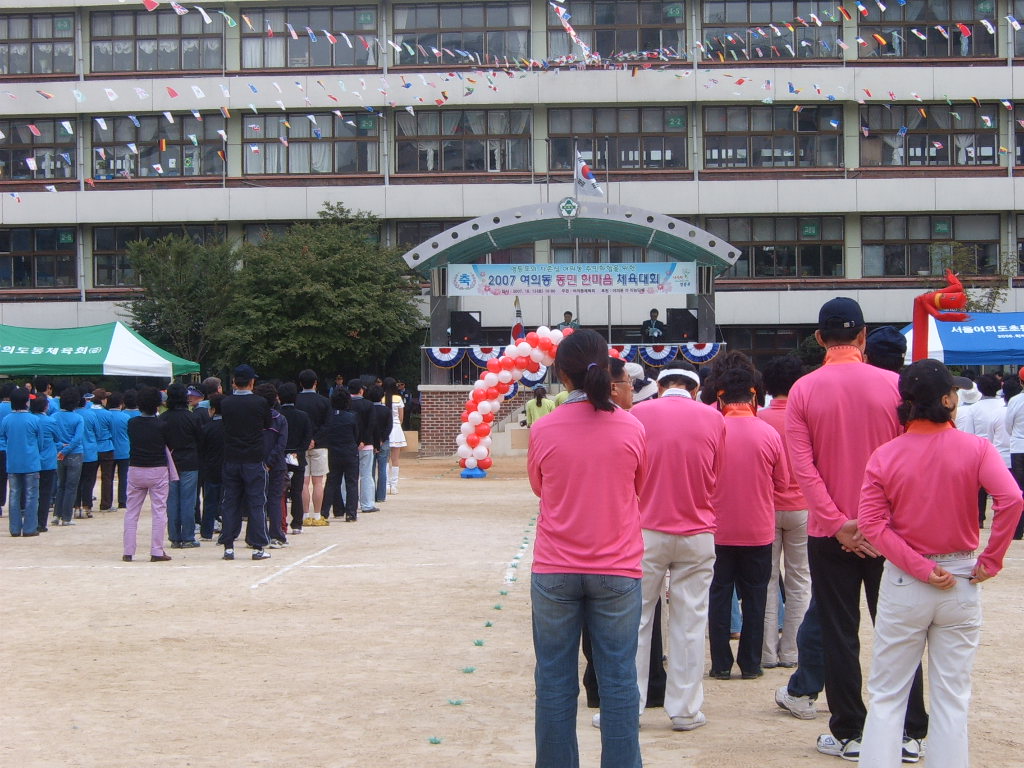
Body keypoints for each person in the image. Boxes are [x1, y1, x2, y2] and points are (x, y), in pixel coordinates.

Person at [858, 359, 1023, 767]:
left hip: (906, 582)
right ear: (948, 400)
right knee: (953, 696)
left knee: (888, 694)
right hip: (963, 575)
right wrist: (992, 559)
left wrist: (919, 567)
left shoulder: (885, 455)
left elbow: (872, 525)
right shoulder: (977, 449)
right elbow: (1011, 500)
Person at [786, 297, 928, 761]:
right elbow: (909, 461)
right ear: (863, 336)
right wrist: (877, 522)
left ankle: (851, 731)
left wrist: (837, 521)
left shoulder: (804, 390)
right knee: (900, 629)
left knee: (837, 631)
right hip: (889, 532)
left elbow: (802, 467)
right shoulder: (895, 386)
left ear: (820, 338)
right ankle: (909, 732)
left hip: (833, 533)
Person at [528, 329, 646, 768]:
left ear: (561, 373)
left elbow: (540, 488)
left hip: (555, 568)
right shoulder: (632, 427)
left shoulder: (544, 428)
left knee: (555, 681)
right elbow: (638, 487)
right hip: (617, 568)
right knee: (618, 679)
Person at [628, 363, 724, 729]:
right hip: (697, 531)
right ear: (696, 390)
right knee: (690, 622)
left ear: (659, 386)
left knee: (635, 621)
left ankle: (629, 707)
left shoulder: (639, 414)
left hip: (646, 530)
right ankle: (685, 710)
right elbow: (717, 474)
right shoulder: (714, 419)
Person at [708, 366, 788, 681]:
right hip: (757, 530)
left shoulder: (712, 431)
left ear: (720, 395)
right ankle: (751, 664)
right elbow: (782, 484)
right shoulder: (768, 433)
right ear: (754, 394)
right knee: (756, 597)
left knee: (718, 595)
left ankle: (721, 664)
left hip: (718, 529)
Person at [757, 355, 811, 671]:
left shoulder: (759, 419)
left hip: (766, 507)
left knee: (767, 581)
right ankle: (792, 650)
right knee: (800, 580)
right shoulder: (807, 418)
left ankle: (765, 651)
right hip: (803, 507)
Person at [217, 364, 272, 562]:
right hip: (253, 458)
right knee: (256, 501)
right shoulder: (260, 402)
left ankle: (229, 546)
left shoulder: (226, 403)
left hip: (231, 457)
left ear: (234, 382)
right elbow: (268, 424)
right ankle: (257, 546)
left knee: (230, 502)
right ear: (251, 382)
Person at [123, 386, 173, 562]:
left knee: (131, 511)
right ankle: (157, 551)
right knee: (159, 511)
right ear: (158, 404)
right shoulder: (162, 425)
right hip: (157, 469)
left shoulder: (132, 423)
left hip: (135, 467)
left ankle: (128, 551)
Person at [962, 374, 1010, 528]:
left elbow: (969, 432)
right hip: (1001, 451)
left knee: (979, 489)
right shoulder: (1004, 405)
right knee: (1001, 488)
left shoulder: (974, 408)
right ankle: (1002, 517)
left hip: (979, 450)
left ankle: (979, 518)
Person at [160, 383, 203, 549]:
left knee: (171, 501)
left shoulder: (163, 418)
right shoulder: (192, 417)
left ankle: (174, 537)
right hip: (190, 461)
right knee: (188, 500)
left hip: (169, 461)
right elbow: (200, 440)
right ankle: (188, 536)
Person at [1, 387, 45, 537]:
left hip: (13, 463)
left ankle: (14, 529)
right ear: (27, 402)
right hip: (31, 462)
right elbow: (41, 443)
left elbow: (4, 439)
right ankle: (29, 528)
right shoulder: (34, 419)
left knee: (14, 495)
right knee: (32, 496)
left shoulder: (6, 420)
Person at [254, 383, 289, 548]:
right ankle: (276, 534)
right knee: (275, 500)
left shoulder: (253, 419)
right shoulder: (280, 419)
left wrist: (263, 462)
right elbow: (281, 445)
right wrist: (270, 462)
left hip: (256, 462)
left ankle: (257, 535)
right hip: (276, 464)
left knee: (257, 500)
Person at [295, 369, 331, 526]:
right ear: (316, 383)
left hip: (299, 447)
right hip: (320, 445)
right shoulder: (324, 401)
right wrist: (315, 440)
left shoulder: (296, 400)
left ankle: (303, 515)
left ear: (300, 383)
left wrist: (305, 441)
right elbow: (328, 425)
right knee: (318, 482)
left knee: (303, 482)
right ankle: (317, 515)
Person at [276, 383, 312, 534]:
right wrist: (299, 451)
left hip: (279, 455)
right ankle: (297, 524)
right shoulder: (303, 416)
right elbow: (307, 437)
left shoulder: (276, 414)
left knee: (280, 492)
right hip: (297, 456)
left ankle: (281, 522)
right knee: (297, 490)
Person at [51, 387, 85, 527]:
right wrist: (67, 450)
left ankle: (56, 515)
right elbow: (77, 439)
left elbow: (52, 436)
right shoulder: (78, 418)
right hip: (75, 453)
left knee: (61, 485)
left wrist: (61, 448)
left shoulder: (53, 417)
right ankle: (66, 517)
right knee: (71, 487)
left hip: (59, 453)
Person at [325, 388, 359, 522]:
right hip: (349, 451)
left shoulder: (329, 417)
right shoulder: (352, 417)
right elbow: (356, 435)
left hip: (333, 452)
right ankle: (351, 513)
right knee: (351, 482)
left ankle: (325, 511)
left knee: (332, 482)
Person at [29, 395, 59, 534]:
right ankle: (41, 523)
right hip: (48, 461)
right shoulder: (51, 421)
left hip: (32, 459)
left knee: (31, 493)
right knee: (45, 493)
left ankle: (30, 521)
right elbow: (57, 437)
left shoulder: (30, 420)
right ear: (46, 407)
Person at [348, 379, 378, 513]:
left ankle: (346, 503)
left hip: (348, 444)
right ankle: (367, 504)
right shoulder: (369, 405)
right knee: (366, 475)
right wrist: (364, 441)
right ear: (361, 390)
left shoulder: (345, 403)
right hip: (366, 445)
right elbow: (371, 425)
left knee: (347, 476)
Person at [198, 393, 225, 542]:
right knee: (228, 501)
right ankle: (227, 530)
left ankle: (206, 532)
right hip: (227, 468)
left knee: (209, 501)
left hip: (210, 468)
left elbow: (201, 449)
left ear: (212, 410)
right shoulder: (230, 428)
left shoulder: (206, 428)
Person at [1003, 366, 1024, 540]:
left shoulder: (1015, 400)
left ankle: (1018, 531)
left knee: (1019, 490)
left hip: (1018, 448)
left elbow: (1008, 425)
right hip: (1018, 445)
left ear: (1020, 382)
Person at [91, 388, 117, 513]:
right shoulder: (108, 414)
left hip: (92, 447)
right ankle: (106, 504)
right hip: (106, 447)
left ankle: (87, 501)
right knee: (107, 477)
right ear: (102, 400)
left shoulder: (88, 412)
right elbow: (112, 431)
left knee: (89, 477)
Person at [368, 385, 393, 506]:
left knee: (370, 470)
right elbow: (389, 427)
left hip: (370, 443)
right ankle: (381, 496)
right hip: (384, 442)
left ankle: (370, 494)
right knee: (382, 469)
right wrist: (382, 439)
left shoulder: (368, 409)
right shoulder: (386, 410)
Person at [383, 377, 406, 495]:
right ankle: (394, 486)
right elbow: (401, 418)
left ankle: (386, 485)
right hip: (396, 428)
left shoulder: (382, 399)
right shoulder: (398, 398)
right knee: (395, 459)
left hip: (384, 430)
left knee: (385, 459)